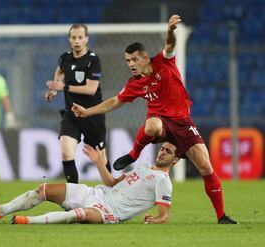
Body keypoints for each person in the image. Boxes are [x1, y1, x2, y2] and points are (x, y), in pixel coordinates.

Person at [71, 15, 237, 224]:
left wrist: (170, 30)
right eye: (128, 61)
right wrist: (87, 112)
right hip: (161, 123)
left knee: (206, 167)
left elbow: (170, 44)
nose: (131, 64)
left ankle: (221, 216)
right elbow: (113, 102)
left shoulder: (164, 61)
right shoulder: (134, 84)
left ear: (146, 58)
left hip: (183, 124)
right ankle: (133, 154)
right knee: (152, 124)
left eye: (134, 59)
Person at [0, 142, 179, 225]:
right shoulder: (143, 166)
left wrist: (155, 220)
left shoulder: (163, 181)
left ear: (175, 160)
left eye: (168, 152)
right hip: (96, 194)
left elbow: (165, 215)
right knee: (42, 189)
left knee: (76, 215)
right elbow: (111, 182)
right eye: (162, 148)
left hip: (110, 212)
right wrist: (99, 162)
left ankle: (28, 220)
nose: (162, 152)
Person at [45, 23, 110, 184]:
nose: (77, 41)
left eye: (80, 37)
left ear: (86, 39)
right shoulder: (65, 58)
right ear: (69, 39)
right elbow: (59, 70)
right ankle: (72, 195)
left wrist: (63, 87)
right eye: (73, 37)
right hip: (72, 114)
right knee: (66, 153)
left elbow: (91, 89)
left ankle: (113, 193)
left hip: (92, 113)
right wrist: (54, 88)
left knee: (100, 158)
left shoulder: (93, 61)